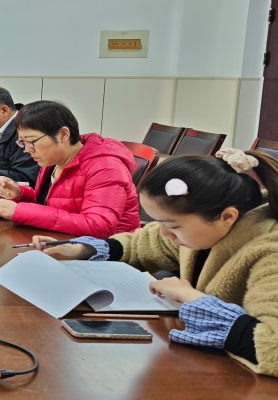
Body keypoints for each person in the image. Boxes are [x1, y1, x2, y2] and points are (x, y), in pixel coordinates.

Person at [33, 148, 278, 376]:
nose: (163, 233)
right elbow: (142, 244)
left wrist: (192, 298)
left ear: (227, 217)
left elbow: (272, 347)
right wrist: (80, 250)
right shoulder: (205, 224)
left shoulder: (270, 251)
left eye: (172, 226)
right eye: (157, 222)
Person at [0, 100, 139, 238]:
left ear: (63, 134)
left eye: (31, 141)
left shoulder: (105, 167)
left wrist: (20, 211)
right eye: (22, 142)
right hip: (66, 243)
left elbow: (98, 226)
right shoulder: (53, 160)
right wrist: (20, 194)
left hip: (107, 253)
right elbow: (55, 205)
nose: (27, 149)